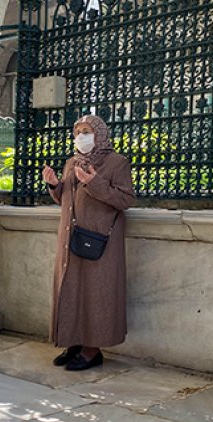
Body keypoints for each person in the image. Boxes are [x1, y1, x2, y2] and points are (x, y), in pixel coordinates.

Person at [41, 115, 136, 371]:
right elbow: (65, 199)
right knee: (72, 291)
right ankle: (74, 342)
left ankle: (92, 350)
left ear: (99, 134)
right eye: (77, 132)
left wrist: (94, 182)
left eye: (86, 131)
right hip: (70, 239)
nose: (80, 136)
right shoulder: (72, 163)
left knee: (96, 294)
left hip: (100, 241)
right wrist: (54, 185)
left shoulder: (117, 163)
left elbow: (125, 200)